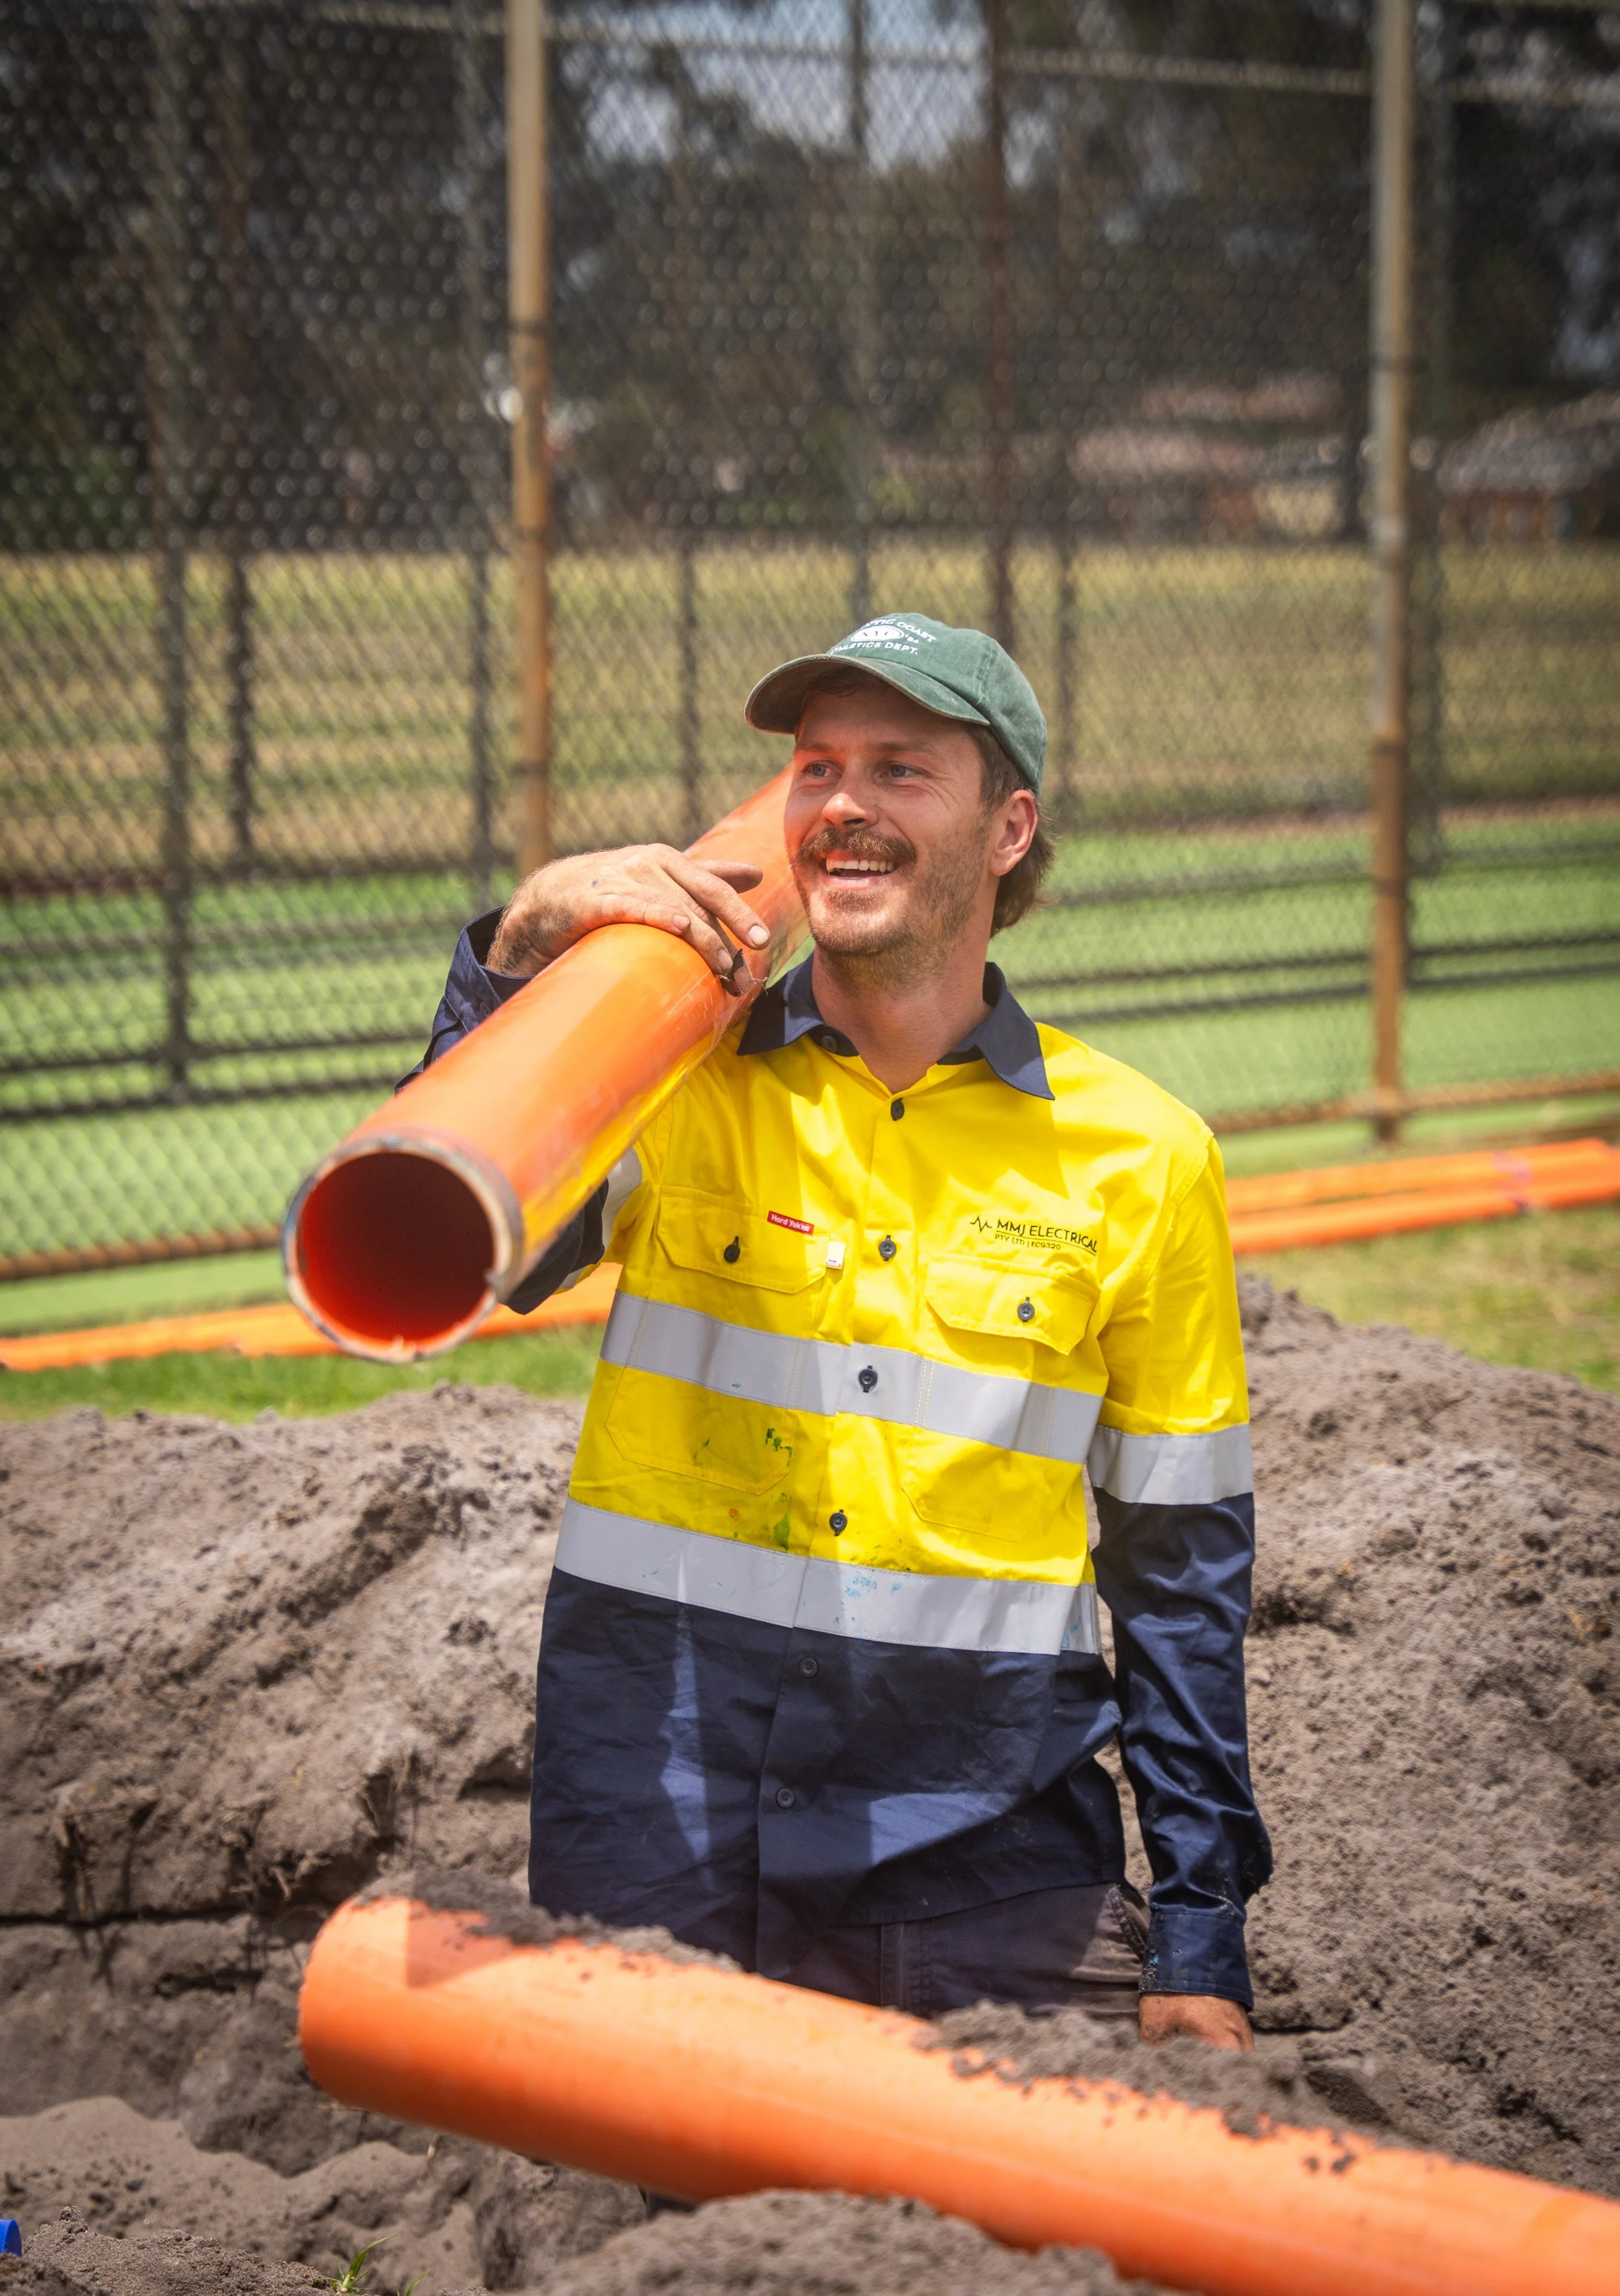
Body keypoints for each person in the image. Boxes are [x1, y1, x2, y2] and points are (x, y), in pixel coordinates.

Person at [413, 612, 1269, 2049]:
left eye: (896, 769)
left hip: (980, 1849)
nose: (841, 809)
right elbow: (457, 1257)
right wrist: (517, 953)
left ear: (1007, 829)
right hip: (663, 1831)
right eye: (814, 769)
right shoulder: (671, 1075)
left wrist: (1196, 1935)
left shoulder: (1140, 1157)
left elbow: (1179, 1576)